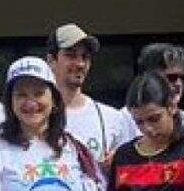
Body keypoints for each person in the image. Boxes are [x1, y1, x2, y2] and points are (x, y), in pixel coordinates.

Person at [0, 57, 106, 191]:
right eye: (21, 95)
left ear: (54, 101)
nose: (31, 103)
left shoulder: (75, 148)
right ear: (10, 102)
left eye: (39, 93)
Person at [48, 23, 134, 163]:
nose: (80, 64)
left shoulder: (112, 118)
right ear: (51, 60)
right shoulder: (36, 118)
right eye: (71, 55)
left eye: (85, 57)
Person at [133, 41, 184, 135]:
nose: (178, 83)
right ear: (149, 78)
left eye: (183, 78)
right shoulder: (123, 121)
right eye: (171, 77)